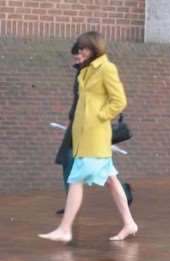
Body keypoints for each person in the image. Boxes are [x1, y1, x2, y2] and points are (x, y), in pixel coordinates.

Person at [39, 31, 138, 242]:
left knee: (76, 179)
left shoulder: (106, 68)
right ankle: (129, 223)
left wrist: (99, 117)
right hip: (83, 134)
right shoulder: (86, 71)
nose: (80, 52)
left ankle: (65, 229)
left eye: (84, 48)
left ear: (93, 49)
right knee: (111, 180)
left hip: (95, 135)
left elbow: (119, 101)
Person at [54, 42, 134, 215]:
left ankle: (124, 195)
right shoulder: (81, 71)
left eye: (80, 55)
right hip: (78, 124)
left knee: (88, 165)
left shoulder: (101, 71)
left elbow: (116, 100)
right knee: (72, 162)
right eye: (76, 56)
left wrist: (100, 116)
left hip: (91, 127)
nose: (77, 58)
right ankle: (72, 206)